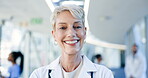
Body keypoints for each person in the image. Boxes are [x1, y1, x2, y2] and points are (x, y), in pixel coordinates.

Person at [30, 4, 114, 78]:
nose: (71, 33)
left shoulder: (103, 74)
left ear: (84, 32)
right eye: (63, 27)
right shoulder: (39, 75)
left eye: (77, 27)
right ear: (54, 35)